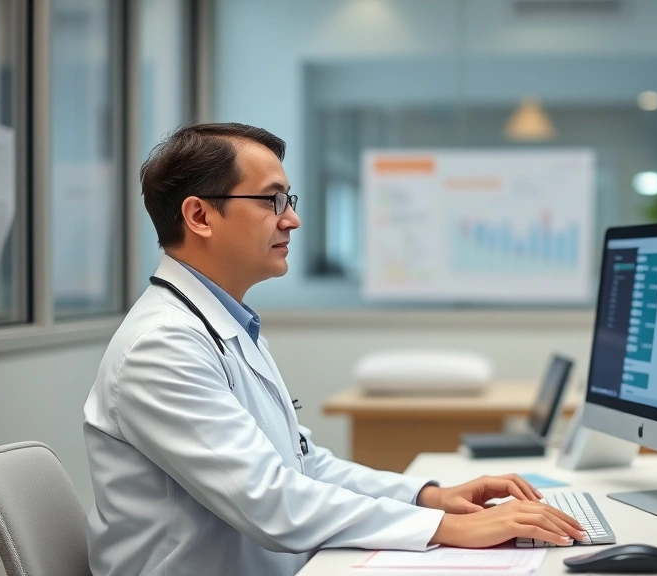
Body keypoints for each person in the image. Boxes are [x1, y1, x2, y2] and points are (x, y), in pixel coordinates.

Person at [82, 123, 583, 576]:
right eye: (272, 201)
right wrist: (445, 529)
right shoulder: (163, 345)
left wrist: (430, 497)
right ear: (200, 216)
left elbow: (304, 465)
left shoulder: (220, 323)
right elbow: (272, 502)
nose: (292, 220)